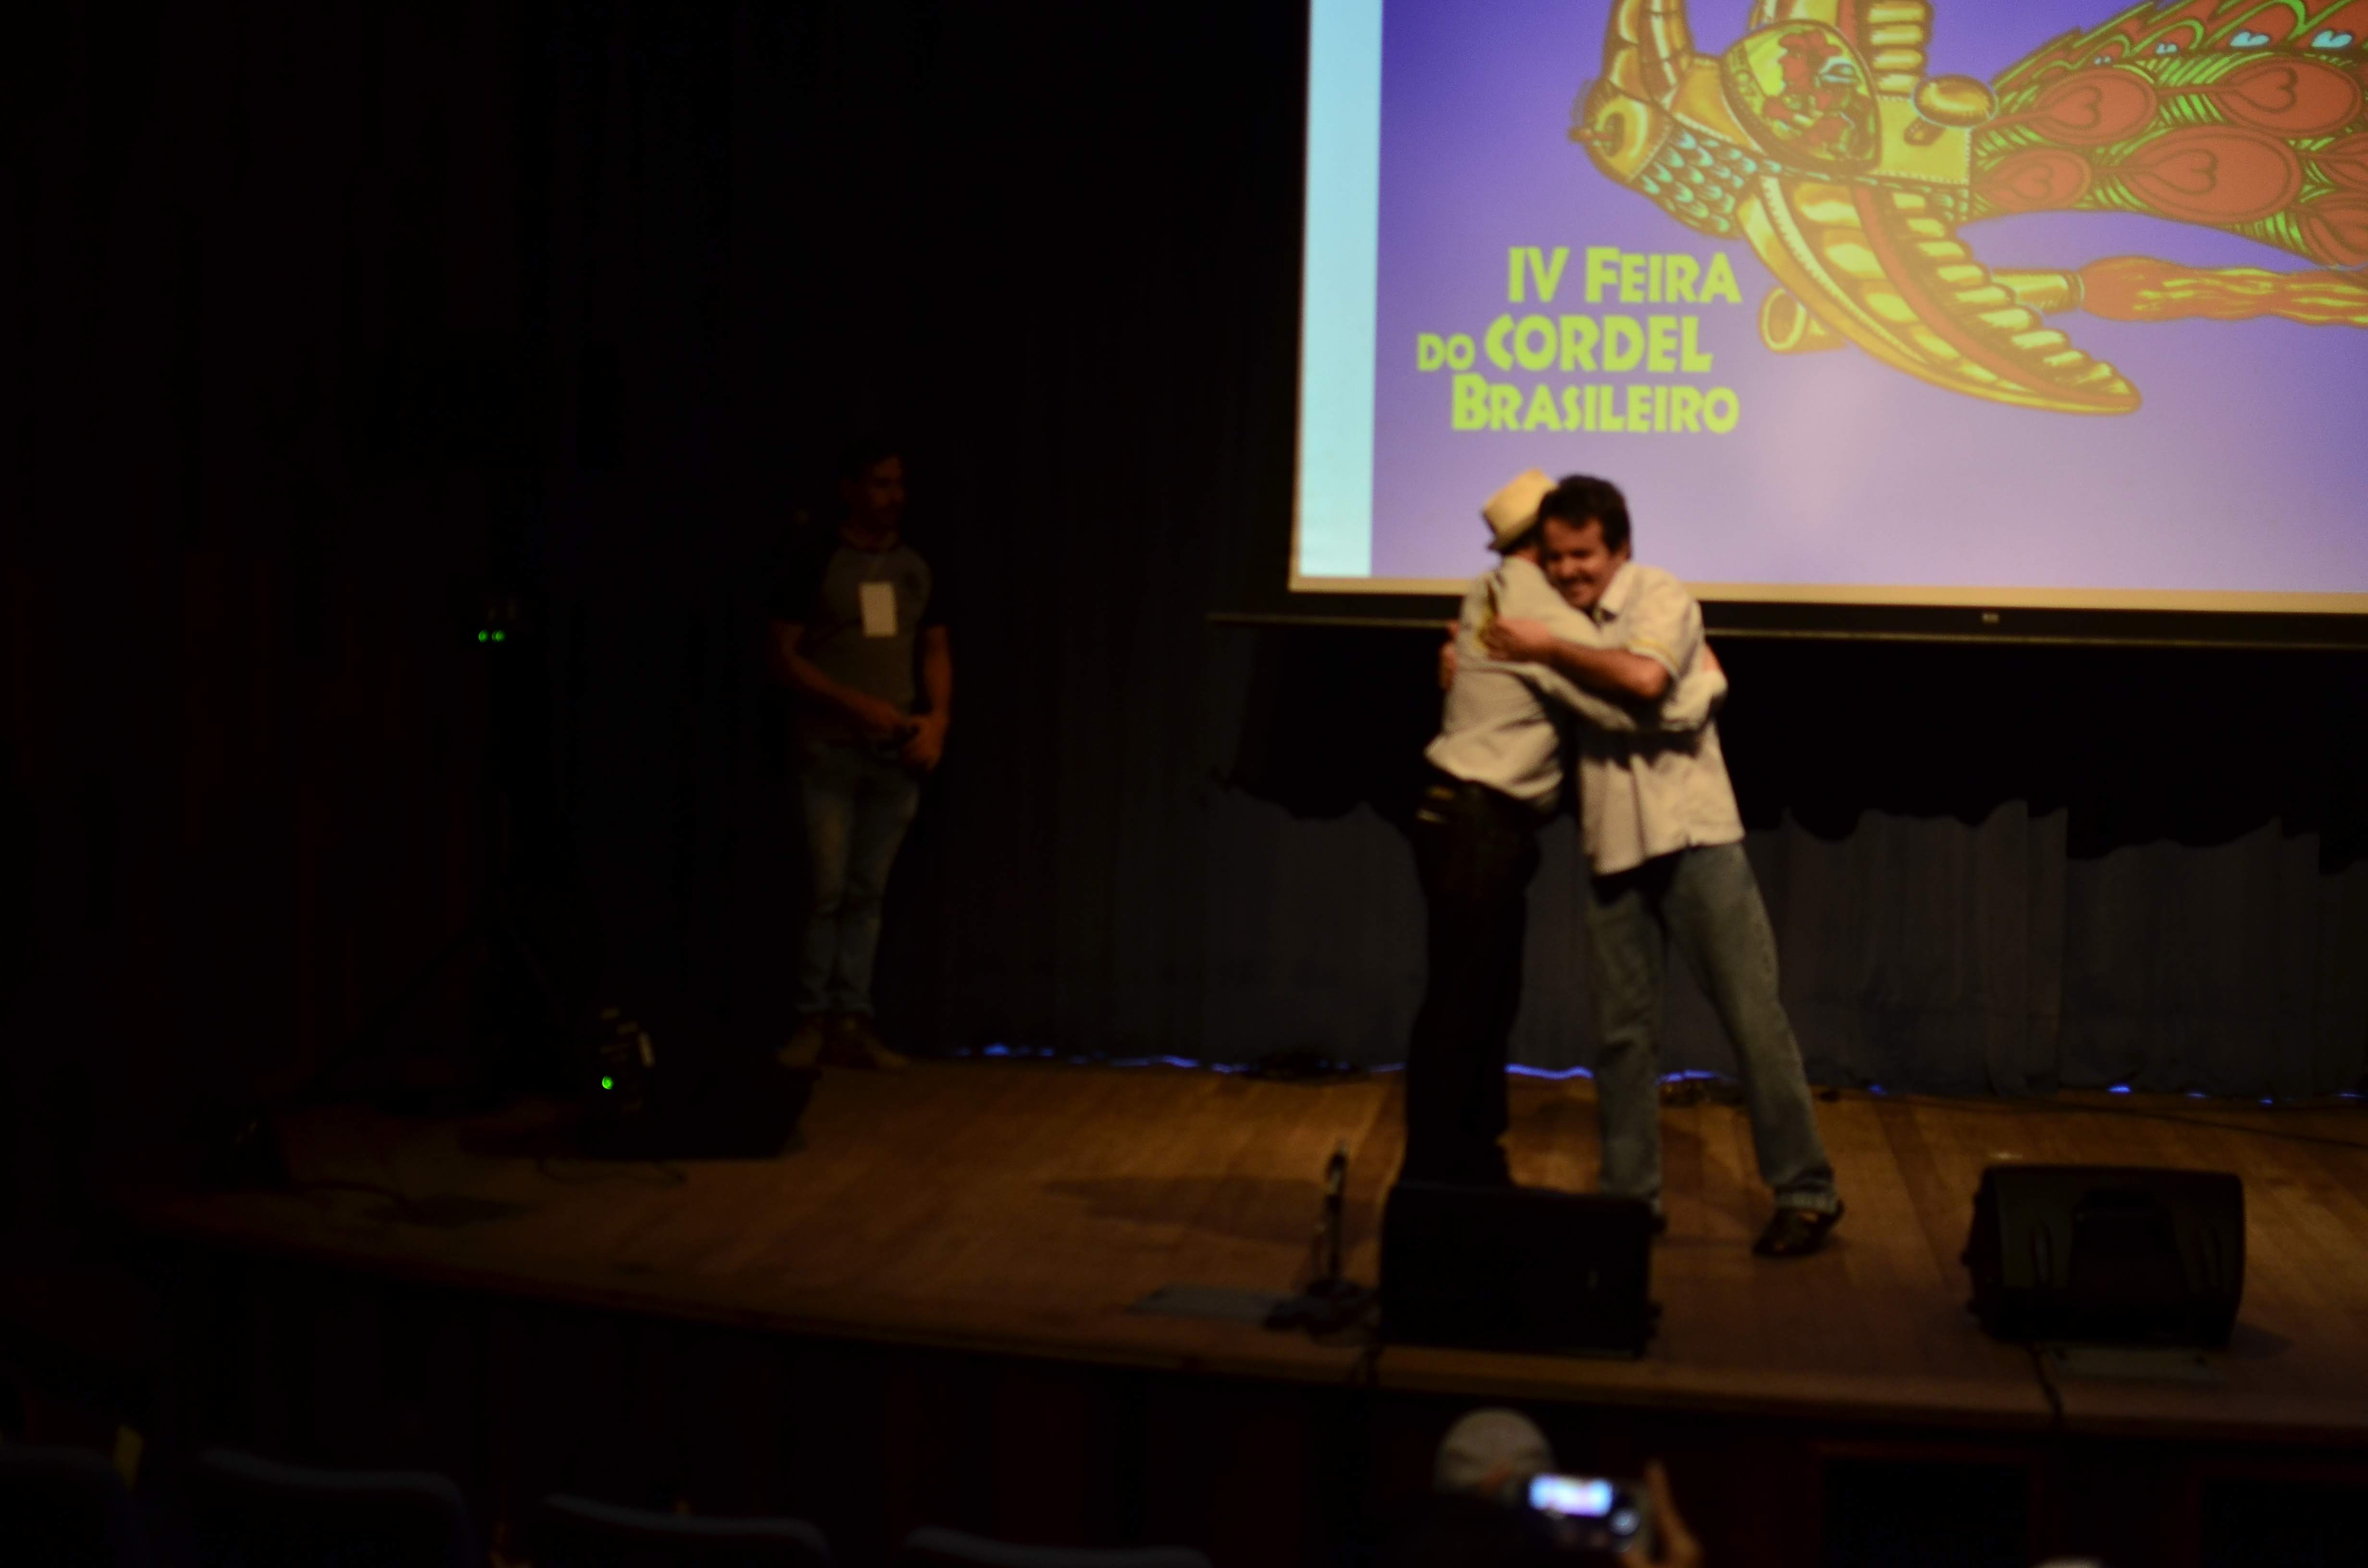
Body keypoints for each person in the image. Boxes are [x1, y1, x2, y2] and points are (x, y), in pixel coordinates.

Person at [1482, 476, 1841, 1257]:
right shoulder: (1552, 619)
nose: (1569, 571)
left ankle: (1807, 1191)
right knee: (1621, 1037)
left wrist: (1555, 661)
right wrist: (1694, 692)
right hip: (1614, 846)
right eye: (1556, 557)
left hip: (1695, 840)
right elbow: (1643, 700)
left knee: (1753, 1021)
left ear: (1620, 550)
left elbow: (1645, 683)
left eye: (1583, 555)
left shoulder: (1659, 596)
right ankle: (1629, 1200)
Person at [1405, 471, 1726, 1187]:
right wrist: (1706, 684)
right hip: (1479, 822)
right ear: (1538, 548)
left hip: (1464, 818)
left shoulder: (1491, 590)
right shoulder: (1530, 603)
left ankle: (1464, 1170)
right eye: (1559, 551)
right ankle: (1438, 1180)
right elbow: (1630, 689)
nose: (1571, 567)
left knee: (1476, 1003)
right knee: (1467, 1008)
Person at [766, 438, 951, 1071]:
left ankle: (852, 1019)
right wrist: (852, 704)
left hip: (895, 754)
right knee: (825, 889)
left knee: (868, 892)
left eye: (900, 484)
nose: (894, 496)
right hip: (830, 749)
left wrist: (937, 722)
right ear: (850, 489)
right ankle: (810, 1019)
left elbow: (935, 649)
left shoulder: (916, 563)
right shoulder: (816, 558)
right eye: (880, 483)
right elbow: (782, 656)